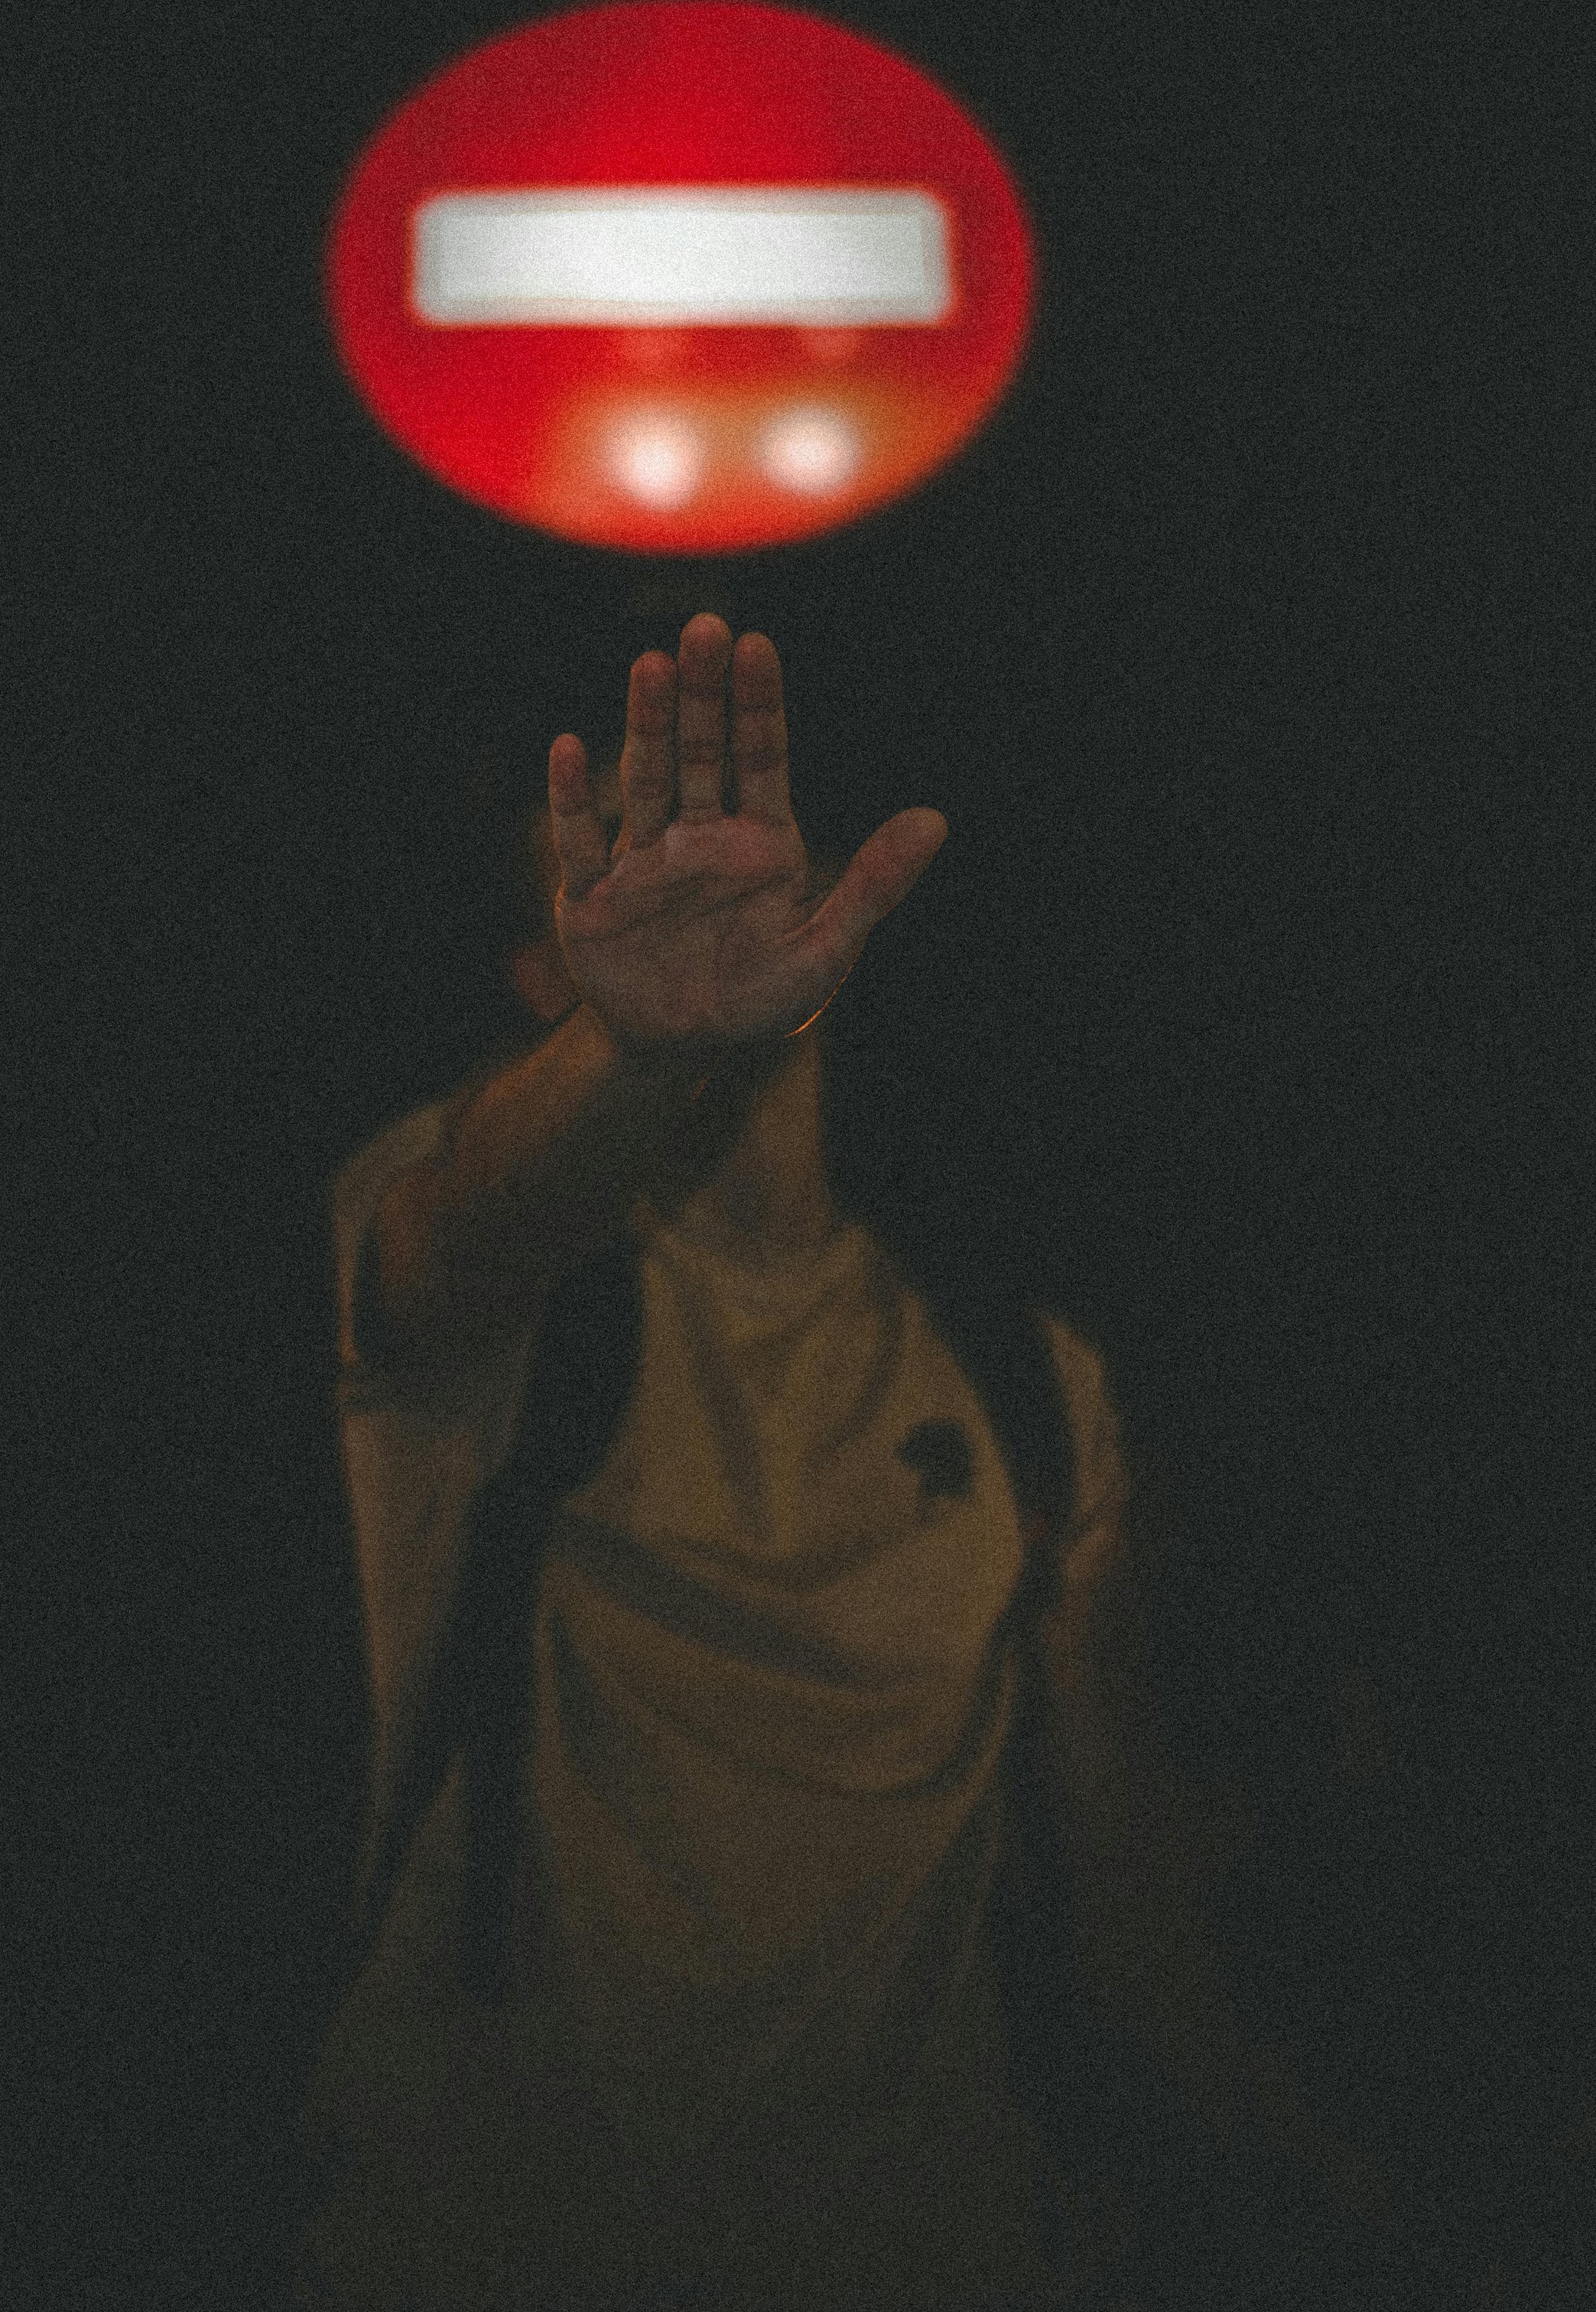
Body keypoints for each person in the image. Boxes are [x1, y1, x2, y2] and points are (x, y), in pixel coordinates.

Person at [292, 617, 1422, 2312]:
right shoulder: (516, 1289)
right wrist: (635, 1048)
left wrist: (1295, 2159)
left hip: (926, 2247)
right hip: (497, 2246)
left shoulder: (1023, 1378)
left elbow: (1107, 1867)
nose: (694, 884)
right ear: (541, 971)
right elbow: (451, 1241)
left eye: (724, 837)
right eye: (622, 860)